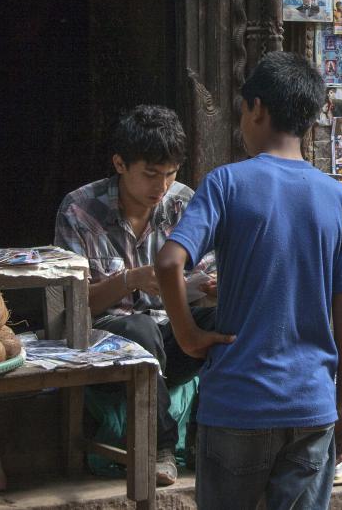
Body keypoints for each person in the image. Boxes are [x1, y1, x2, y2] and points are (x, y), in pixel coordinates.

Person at [155, 51, 342, 510]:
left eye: (242, 114)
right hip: (311, 406)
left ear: (257, 109)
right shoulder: (339, 200)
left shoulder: (226, 183)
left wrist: (188, 335)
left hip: (238, 403)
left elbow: (170, 262)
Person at [54, 105, 221, 487]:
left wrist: (209, 287)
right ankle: (161, 447)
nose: (161, 187)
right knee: (143, 328)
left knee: (229, 320)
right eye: (150, 174)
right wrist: (129, 280)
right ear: (119, 164)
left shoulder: (182, 202)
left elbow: (206, 270)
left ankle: (203, 438)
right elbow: (73, 306)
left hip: (175, 335)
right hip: (105, 344)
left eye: (170, 174)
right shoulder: (79, 209)